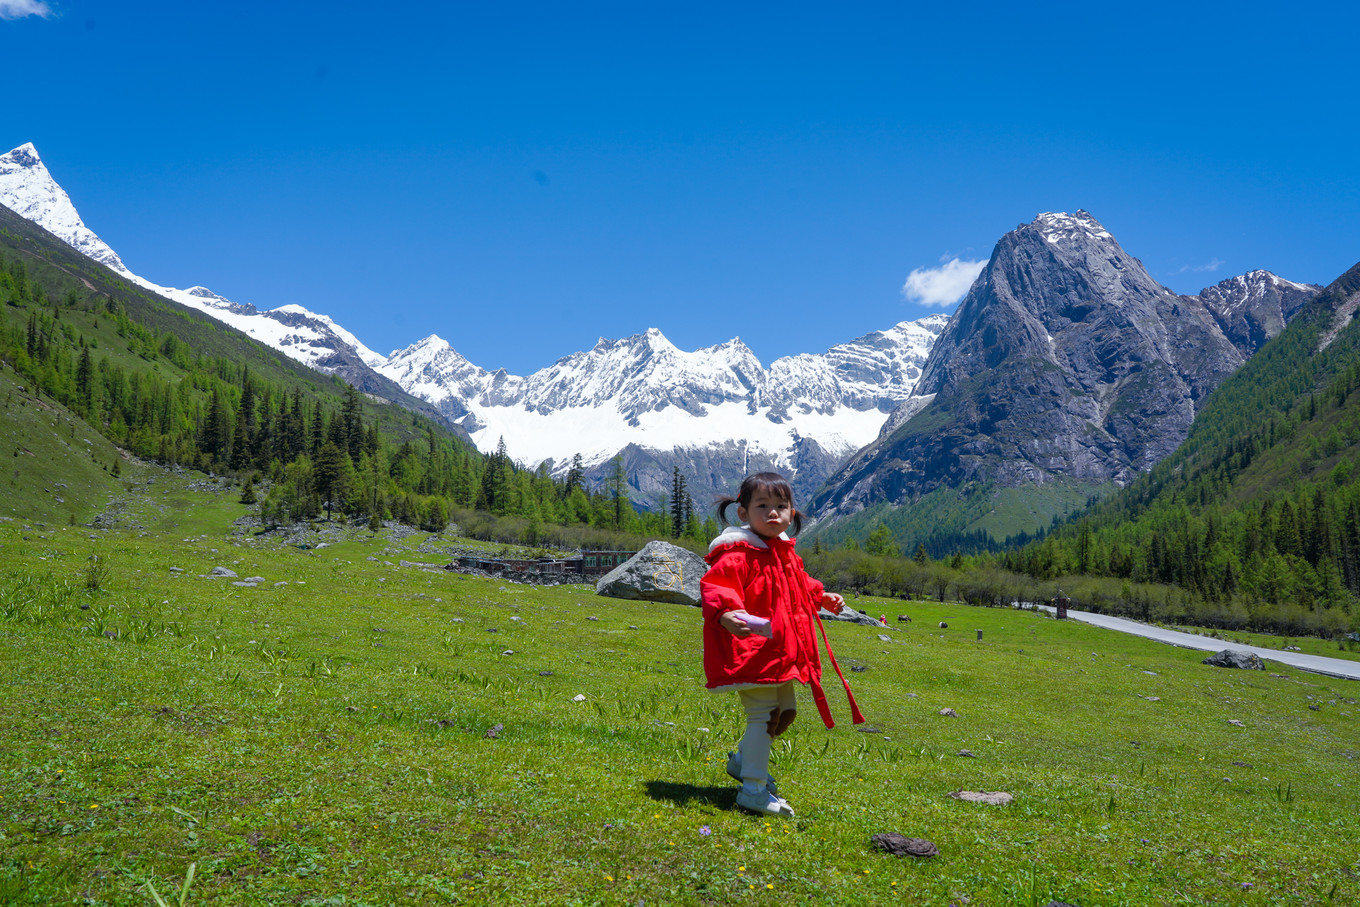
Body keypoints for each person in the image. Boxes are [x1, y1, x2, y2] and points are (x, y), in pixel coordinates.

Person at [700, 472, 865, 817]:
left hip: (781, 653)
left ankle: (743, 761)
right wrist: (726, 613)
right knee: (764, 716)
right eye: (762, 506)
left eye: (781, 506)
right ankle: (753, 790)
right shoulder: (736, 552)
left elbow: (798, 583)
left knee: (785, 714)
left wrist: (821, 595)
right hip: (753, 650)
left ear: (792, 513)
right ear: (743, 513)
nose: (773, 512)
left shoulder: (784, 553)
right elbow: (718, 586)